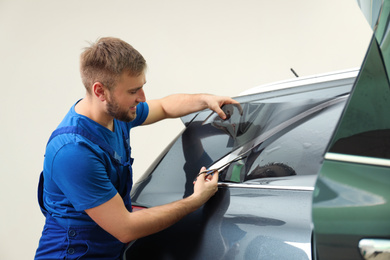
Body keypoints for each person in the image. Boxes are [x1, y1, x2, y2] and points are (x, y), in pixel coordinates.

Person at [34, 37, 240, 259]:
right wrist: (195, 200)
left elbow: (163, 106)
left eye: (142, 87)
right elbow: (126, 228)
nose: (142, 98)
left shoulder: (117, 115)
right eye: (133, 91)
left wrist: (206, 100)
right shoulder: (74, 151)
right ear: (100, 91)